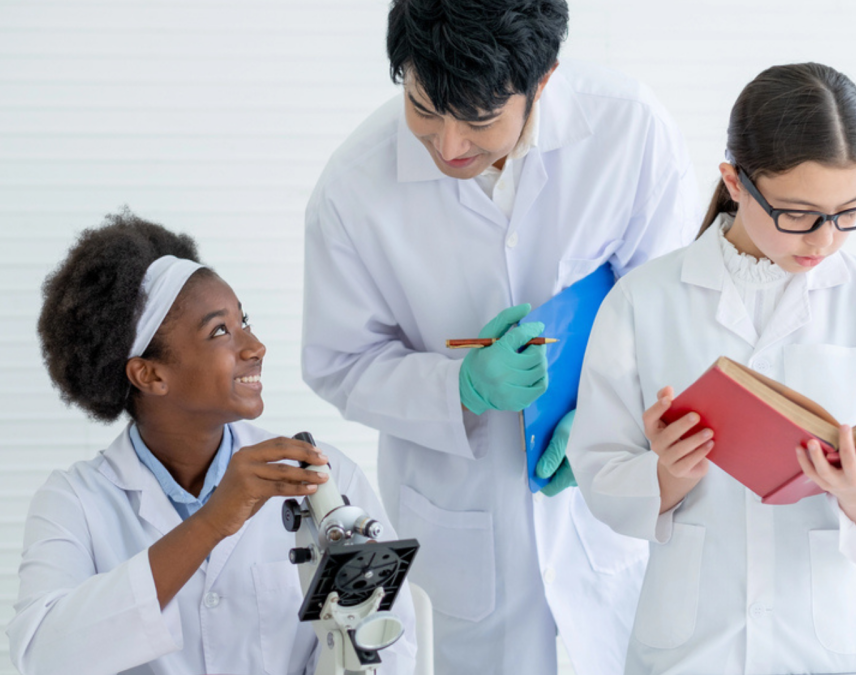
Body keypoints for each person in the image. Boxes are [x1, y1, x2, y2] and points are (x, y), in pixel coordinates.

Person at [300, 1, 700, 672]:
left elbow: (674, 313)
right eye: (424, 108)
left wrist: (608, 415)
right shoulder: (352, 191)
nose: (450, 146)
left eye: (480, 120)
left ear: (543, 80)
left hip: (605, 514)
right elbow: (339, 362)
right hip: (459, 534)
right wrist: (457, 386)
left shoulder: (629, 133)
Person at [566, 63, 856, 674]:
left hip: (839, 641)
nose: (824, 240)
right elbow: (599, 470)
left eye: (848, 211)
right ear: (735, 182)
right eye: (799, 213)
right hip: (696, 645)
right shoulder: (643, 300)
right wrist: (667, 474)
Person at [7, 211, 416, 675]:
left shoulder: (322, 475)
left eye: (245, 321)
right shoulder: (74, 501)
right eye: (220, 331)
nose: (255, 346)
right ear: (151, 374)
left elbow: (389, 640)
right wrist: (212, 521)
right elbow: (43, 657)